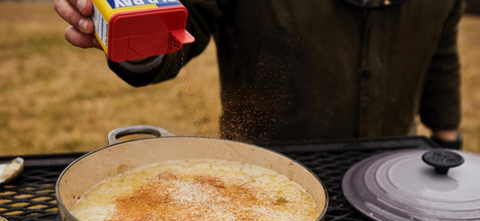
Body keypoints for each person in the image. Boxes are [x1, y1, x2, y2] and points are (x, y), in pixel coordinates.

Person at [53, 0, 464, 147]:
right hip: (261, 181)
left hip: (390, 180)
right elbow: (185, 22)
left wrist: (448, 138)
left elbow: (441, 55)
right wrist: (131, 27)